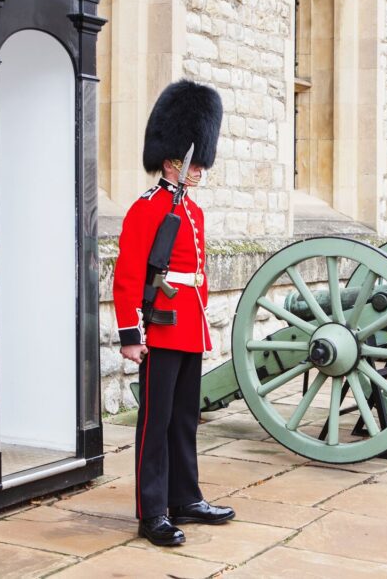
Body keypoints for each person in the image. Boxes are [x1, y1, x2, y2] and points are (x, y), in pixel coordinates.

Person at [113, 80, 234, 546]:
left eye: (202, 160)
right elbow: (126, 276)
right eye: (193, 160)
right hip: (160, 331)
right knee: (155, 423)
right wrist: (130, 334)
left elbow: (196, 275)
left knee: (185, 418)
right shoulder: (145, 210)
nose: (200, 168)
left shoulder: (194, 212)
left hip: (189, 328)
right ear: (170, 161)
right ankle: (153, 510)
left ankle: (185, 497)